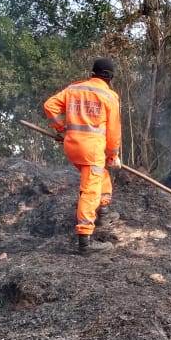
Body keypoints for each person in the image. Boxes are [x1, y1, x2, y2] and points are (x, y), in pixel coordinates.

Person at [43, 57, 122, 254]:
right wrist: (113, 155)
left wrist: (61, 128)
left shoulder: (74, 89)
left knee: (99, 175)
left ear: (93, 72)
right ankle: (85, 242)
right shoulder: (109, 96)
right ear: (110, 77)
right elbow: (113, 132)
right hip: (92, 149)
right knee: (90, 190)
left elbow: (49, 106)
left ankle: (103, 212)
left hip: (72, 146)